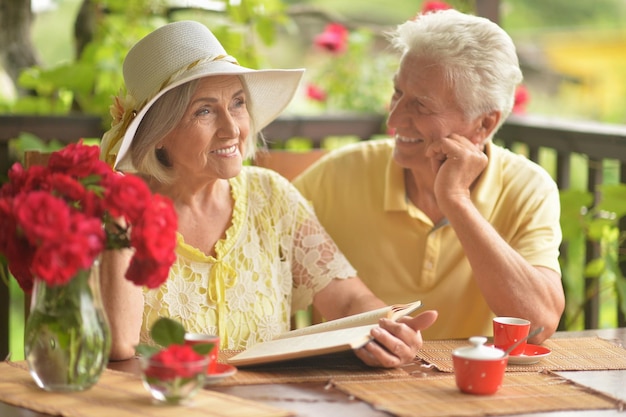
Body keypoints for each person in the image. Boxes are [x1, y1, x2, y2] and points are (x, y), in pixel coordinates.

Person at [98, 20, 437, 367]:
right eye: (204, 110)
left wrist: (386, 328)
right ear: (160, 132)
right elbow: (120, 345)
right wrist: (120, 216)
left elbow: (349, 300)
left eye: (238, 103)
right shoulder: (116, 218)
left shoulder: (271, 195)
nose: (232, 128)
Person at [293, 9, 564, 344]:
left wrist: (456, 201)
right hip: (351, 379)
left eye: (421, 106)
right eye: (397, 93)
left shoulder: (528, 188)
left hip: (470, 388)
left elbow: (538, 326)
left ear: (484, 124)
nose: (393, 118)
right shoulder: (335, 176)